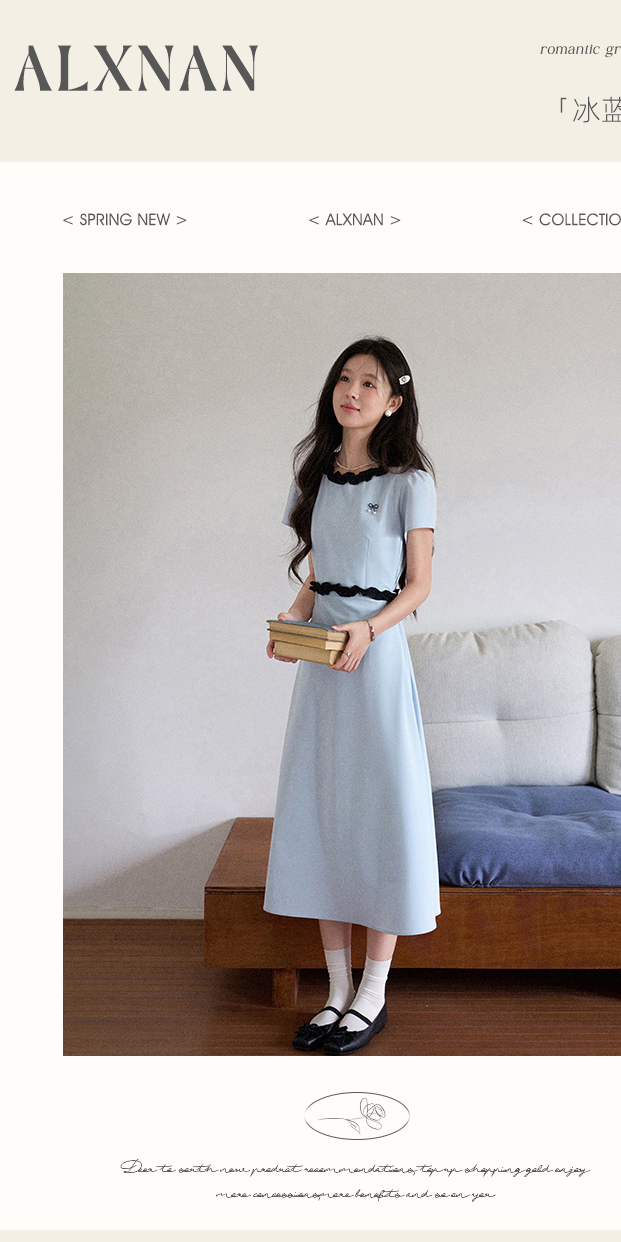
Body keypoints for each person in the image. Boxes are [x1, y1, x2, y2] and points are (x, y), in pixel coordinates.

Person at [264, 337, 439, 1054]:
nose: (353, 391)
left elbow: (419, 585)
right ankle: (335, 990)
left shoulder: (410, 482)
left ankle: (373, 994)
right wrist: (292, 621)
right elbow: (318, 574)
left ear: (393, 401)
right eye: (345, 378)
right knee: (323, 813)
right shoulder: (315, 475)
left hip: (376, 657)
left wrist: (368, 629)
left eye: (370, 383)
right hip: (323, 662)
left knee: (380, 815)